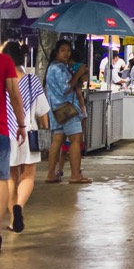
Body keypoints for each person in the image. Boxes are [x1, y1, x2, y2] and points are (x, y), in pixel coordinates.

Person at [3, 41, 50, 234]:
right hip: (29, 132)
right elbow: (42, 110)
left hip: (7, 133)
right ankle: (19, 207)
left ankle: (14, 220)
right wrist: (46, 129)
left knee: (11, 176)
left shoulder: (2, 79)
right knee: (28, 175)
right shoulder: (32, 80)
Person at [44, 40, 91, 185]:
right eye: (63, 50)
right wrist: (78, 74)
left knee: (57, 141)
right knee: (76, 140)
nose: (66, 53)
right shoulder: (58, 68)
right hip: (67, 109)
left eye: (68, 51)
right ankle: (75, 174)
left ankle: (51, 174)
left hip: (56, 110)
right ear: (57, 52)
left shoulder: (54, 67)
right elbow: (66, 88)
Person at [0, 45, 27, 246]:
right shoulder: (5, 62)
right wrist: (21, 124)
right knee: (2, 180)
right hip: (0, 131)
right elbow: (15, 96)